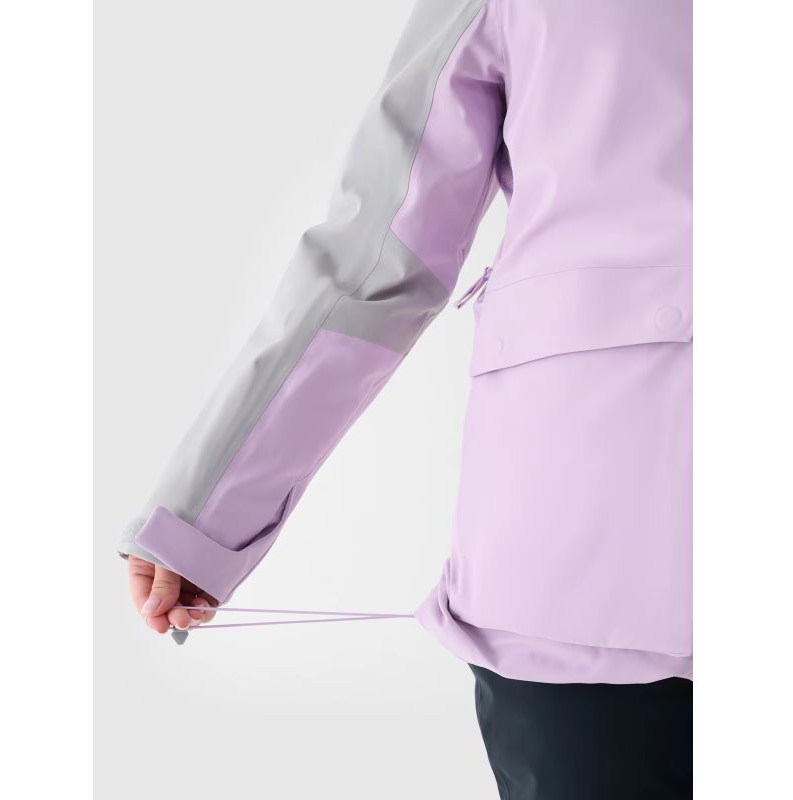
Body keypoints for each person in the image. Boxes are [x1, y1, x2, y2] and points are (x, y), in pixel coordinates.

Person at [119, 0, 693, 796]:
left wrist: (204, 520)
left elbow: (379, 264)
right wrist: (201, 524)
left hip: (583, 565)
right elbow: (379, 266)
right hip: (589, 574)